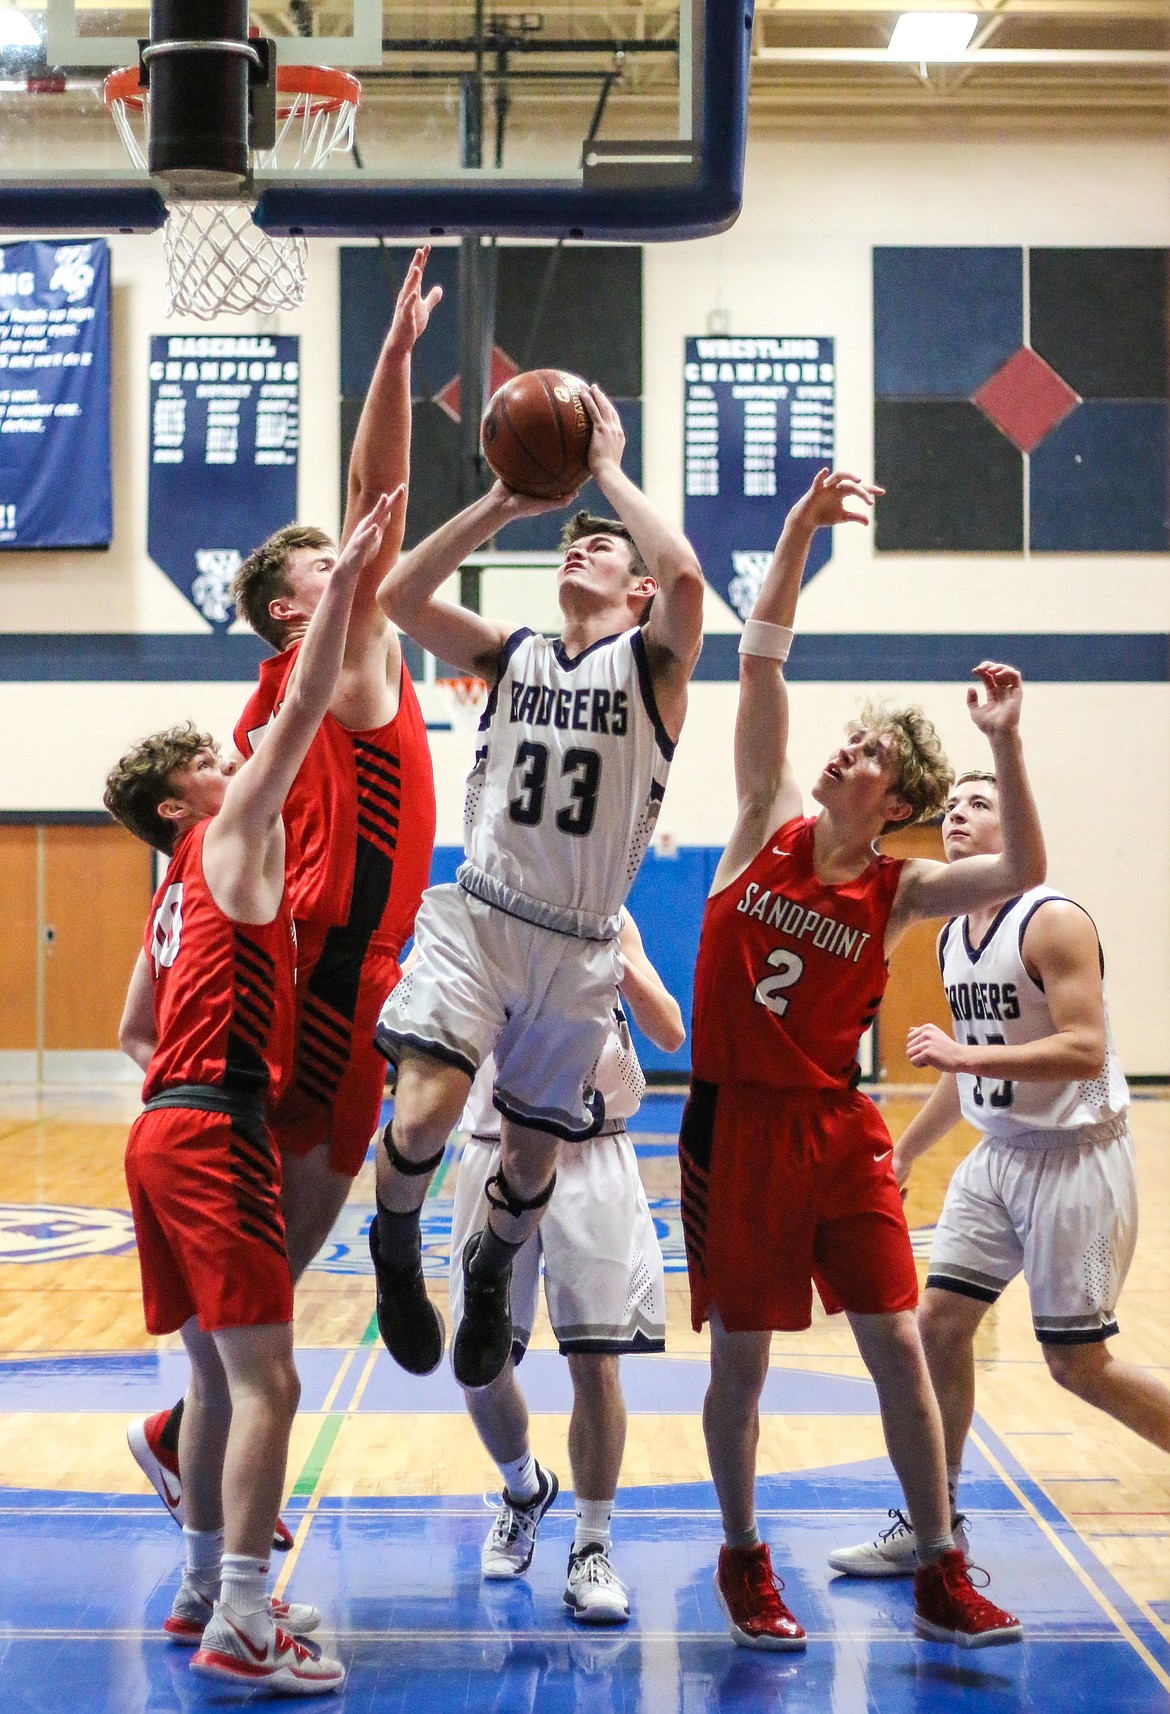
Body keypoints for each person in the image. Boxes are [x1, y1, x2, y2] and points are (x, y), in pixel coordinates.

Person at [679, 469, 1046, 1653]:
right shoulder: (761, 819)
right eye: (851, 742)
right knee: (744, 1363)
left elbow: (1021, 870)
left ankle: (942, 1564)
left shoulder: (900, 892)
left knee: (897, 1341)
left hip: (836, 1129)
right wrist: (790, 530)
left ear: (899, 798)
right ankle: (743, 1556)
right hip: (739, 1125)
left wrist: (1009, 740)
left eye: (871, 752)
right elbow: (760, 663)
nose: (846, 752)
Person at [128, 247, 441, 1528]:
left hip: (337, 975)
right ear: (284, 610)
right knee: (261, 1298)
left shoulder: (284, 703)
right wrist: (392, 362)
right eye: (326, 561)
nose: (352, 556)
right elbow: (382, 486)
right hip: (326, 986)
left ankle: (182, 1434)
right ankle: (227, 1548)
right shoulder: (337, 660)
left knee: (260, 1285)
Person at [107, 489, 397, 1696]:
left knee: (222, 1376)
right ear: (183, 802)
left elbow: (130, 1030)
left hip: (160, 1130)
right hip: (212, 1126)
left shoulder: (176, 883)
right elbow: (292, 725)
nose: (236, 758)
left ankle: (193, 1586)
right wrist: (344, 596)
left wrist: (197, 1074)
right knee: (271, 1377)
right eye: (209, 763)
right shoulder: (234, 838)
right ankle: (240, 1617)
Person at [371, 383, 705, 1393]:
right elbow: (396, 599)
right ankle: (396, 1247)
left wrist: (604, 464)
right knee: (425, 1116)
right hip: (482, 916)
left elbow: (688, 574)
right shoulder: (512, 655)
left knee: (528, 1159)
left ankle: (488, 1263)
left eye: (602, 548)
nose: (580, 547)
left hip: (580, 942)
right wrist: (503, 503)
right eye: (573, 540)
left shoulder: (652, 668)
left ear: (637, 591)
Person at [829, 770, 1169, 1577]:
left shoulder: (1052, 920)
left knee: (1078, 1365)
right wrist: (907, 1150)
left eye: (980, 804)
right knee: (938, 1326)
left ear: (1015, 826)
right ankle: (932, 1518)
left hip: (1077, 1161)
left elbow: (1085, 1047)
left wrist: (967, 1053)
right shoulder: (952, 931)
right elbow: (965, 1071)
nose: (958, 817)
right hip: (1000, 1156)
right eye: (952, 808)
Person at [451, 910, 683, 1624]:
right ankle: (524, 1489)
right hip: (493, 1146)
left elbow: (671, 1032)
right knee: (479, 1359)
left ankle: (592, 1543)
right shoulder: (472, 912)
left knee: (597, 1361)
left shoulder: (612, 916)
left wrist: (623, 966)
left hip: (596, 1148)